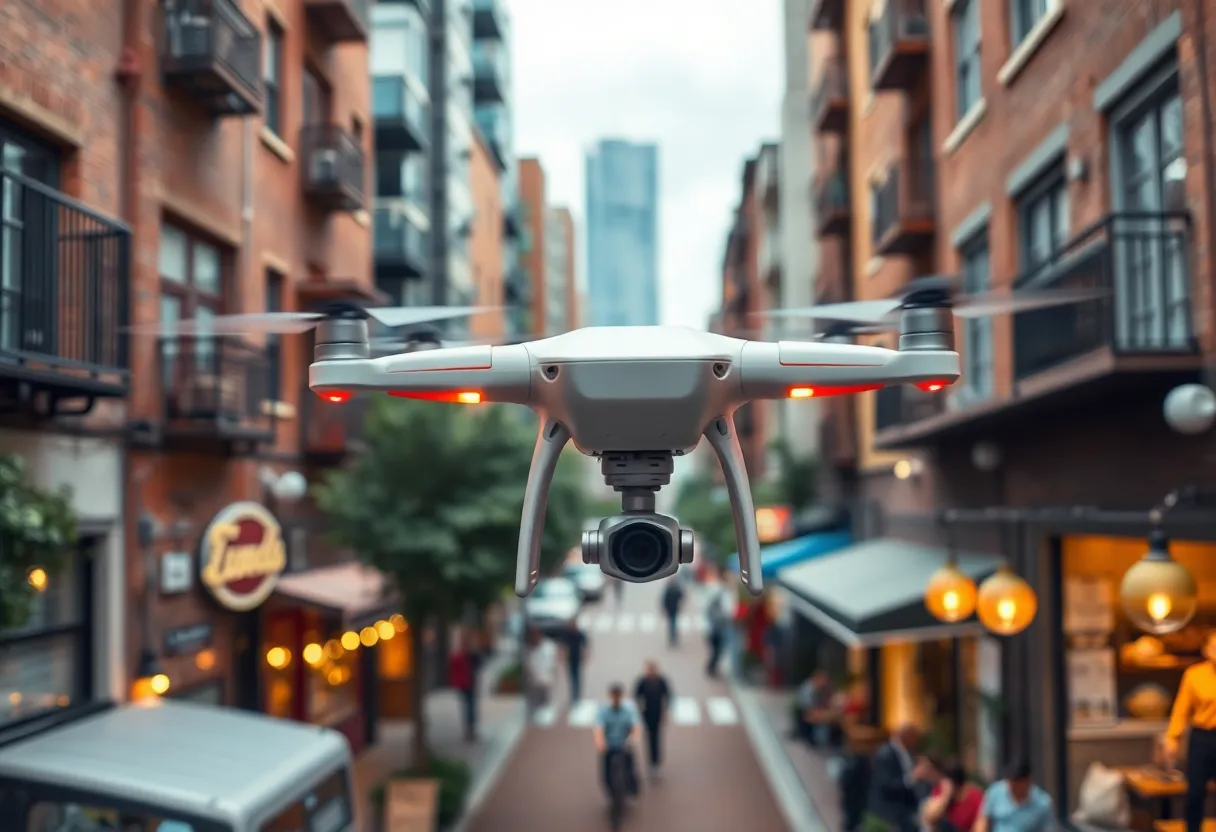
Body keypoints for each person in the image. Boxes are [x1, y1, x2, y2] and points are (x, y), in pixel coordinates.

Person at [1165, 629, 1216, 832]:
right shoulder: (1195, 675)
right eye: (1214, 647)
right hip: (1202, 737)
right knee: (1195, 792)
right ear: (1206, 650)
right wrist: (1173, 737)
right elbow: (1181, 709)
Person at [868, 722, 935, 832]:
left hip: (905, 812)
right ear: (907, 737)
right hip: (889, 815)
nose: (916, 743)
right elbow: (885, 786)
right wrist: (912, 778)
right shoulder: (886, 754)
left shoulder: (908, 753)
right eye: (915, 738)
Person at [973, 759, 1053, 832]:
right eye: (1010, 781)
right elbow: (983, 821)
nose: (1012, 786)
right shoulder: (995, 793)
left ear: (1028, 781)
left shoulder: (1043, 803)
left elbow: (1048, 828)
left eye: (1017, 782)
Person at [594, 682, 640, 800]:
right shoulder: (603, 711)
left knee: (630, 766)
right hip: (609, 746)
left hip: (624, 745)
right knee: (606, 773)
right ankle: (609, 791)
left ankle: (632, 786)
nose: (616, 698)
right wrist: (600, 743)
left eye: (618, 695)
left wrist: (632, 740)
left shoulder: (629, 710)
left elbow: (635, 727)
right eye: (614, 696)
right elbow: (599, 729)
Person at [633, 660, 672, 779]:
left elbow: (668, 696)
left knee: (657, 738)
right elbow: (636, 696)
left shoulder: (661, 681)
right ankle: (651, 763)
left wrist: (665, 712)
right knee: (649, 739)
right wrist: (639, 709)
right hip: (647, 714)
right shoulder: (642, 681)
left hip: (658, 713)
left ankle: (656, 763)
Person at [921, 758, 984, 832]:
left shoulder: (974, 796)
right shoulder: (941, 792)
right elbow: (930, 817)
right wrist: (946, 796)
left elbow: (981, 825)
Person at [447, 629, 482, 741]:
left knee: (469, 707)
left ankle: (470, 730)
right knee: (469, 707)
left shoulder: (469, 655)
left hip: (468, 683)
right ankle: (470, 730)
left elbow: (478, 664)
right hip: (465, 684)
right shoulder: (461, 656)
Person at [704, 570, 733, 678]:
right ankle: (711, 668)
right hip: (717, 627)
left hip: (718, 626)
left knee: (718, 650)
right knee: (717, 650)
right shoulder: (719, 591)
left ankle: (712, 668)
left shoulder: (721, 591)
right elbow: (725, 610)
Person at [525, 628, 557, 717]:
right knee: (534, 706)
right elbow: (529, 666)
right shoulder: (530, 650)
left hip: (545, 680)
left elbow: (552, 663)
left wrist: (551, 676)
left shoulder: (548, 647)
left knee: (545, 705)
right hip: (534, 682)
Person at [563, 618, 590, 703]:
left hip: (577, 658)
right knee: (571, 678)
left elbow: (585, 645)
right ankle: (574, 695)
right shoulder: (567, 634)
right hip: (570, 659)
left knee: (577, 678)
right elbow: (563, 646)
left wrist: (585, 656)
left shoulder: (579, 634)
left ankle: (577, 696)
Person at [661, 578, 685, 647]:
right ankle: (673, 637)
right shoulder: (676, 589)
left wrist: (664, 608)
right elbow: (681, 596)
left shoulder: (668, 590)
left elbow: (664, 600)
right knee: (673, 624)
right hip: (674, 609)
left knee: (671, 624)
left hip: (670, 609)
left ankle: (672, 637)